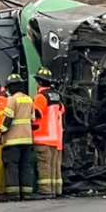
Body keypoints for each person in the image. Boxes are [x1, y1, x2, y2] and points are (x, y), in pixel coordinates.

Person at [0, 73, 38, 202]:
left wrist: (1, 132)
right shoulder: (29, 99)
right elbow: (33, 119)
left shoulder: (12, 100)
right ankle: (27, 193)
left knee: (12, 166)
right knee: (26, 166)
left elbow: (8, 118)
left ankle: (13, 193)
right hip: (27, 139)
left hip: (13, 140)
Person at [32, 67, 66, 199]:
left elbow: (36, 114)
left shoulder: (41, 97)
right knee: (55, 166)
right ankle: (56, 189)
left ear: (39, 82)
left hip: (44, 137)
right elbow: (62, 111)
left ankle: (45, 190)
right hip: (56, 138)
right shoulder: (57, 96)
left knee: (44, 166)